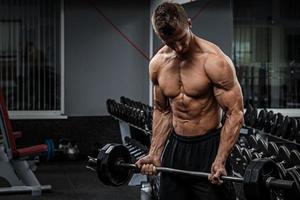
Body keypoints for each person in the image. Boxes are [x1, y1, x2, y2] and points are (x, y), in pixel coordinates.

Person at [135, 2, 244, 200]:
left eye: (181, 38)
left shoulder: (214, 61)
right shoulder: (158, 64)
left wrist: (220, 159)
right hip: (176, 147)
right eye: (170, 42)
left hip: (208, 147)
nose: (178, 47)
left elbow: (235, 113)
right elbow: (162, 110)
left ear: (190, 24)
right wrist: (154, 152)